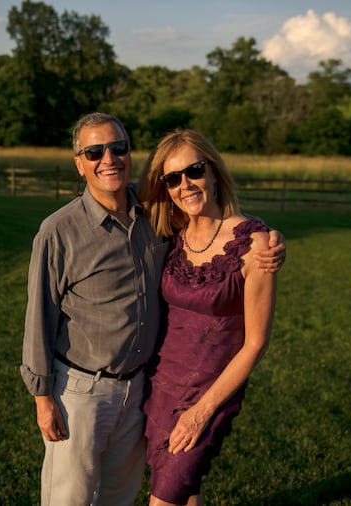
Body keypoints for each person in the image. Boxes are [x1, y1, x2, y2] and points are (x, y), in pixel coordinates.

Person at [20, 113, 284, 506]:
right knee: (68, 499)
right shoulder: (58, 231)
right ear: (79, 163)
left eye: (118, 147)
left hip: (141, 389)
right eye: (94, 151)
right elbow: (39, 317)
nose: (108, 158)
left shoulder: (158, 214)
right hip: (81, 390)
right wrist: (43, 399)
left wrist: (269, 239)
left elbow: (221, 228)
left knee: (120, 497)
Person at [137, 128, 278, 506]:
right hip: (162, 386)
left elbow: (256, 343)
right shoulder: (174, 235)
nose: (185, 184)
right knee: (185, 492)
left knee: (165, 496)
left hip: (211, 394)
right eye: (172, 178)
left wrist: (201, 412)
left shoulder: (256, 245)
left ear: (214, 172)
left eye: (194, 170)